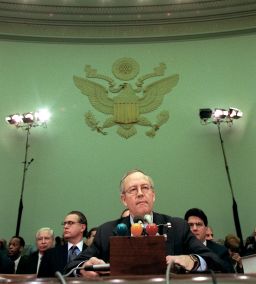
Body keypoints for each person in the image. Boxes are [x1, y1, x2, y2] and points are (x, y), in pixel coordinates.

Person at [64, 169, 229, 277]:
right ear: (123, 200)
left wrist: (192, 261)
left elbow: (219, 263)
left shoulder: (177, 227)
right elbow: (71, 267)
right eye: (133, 190)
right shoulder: (107, 230)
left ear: (153, 195)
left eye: (145, 188)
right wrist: (85, 267)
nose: (140, 194)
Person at [38, 210, 88, 277]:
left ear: (82, 227)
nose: (65, 226)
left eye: (70, 223)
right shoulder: (50, 254)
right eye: (64, 223)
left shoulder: (94, 253)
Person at [184, 208, 234, 273]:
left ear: (206, 229)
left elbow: (230, 276)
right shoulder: (179, 251)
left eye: (199, 224)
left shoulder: (221, 251)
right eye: (190, 225)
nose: (195, 228)